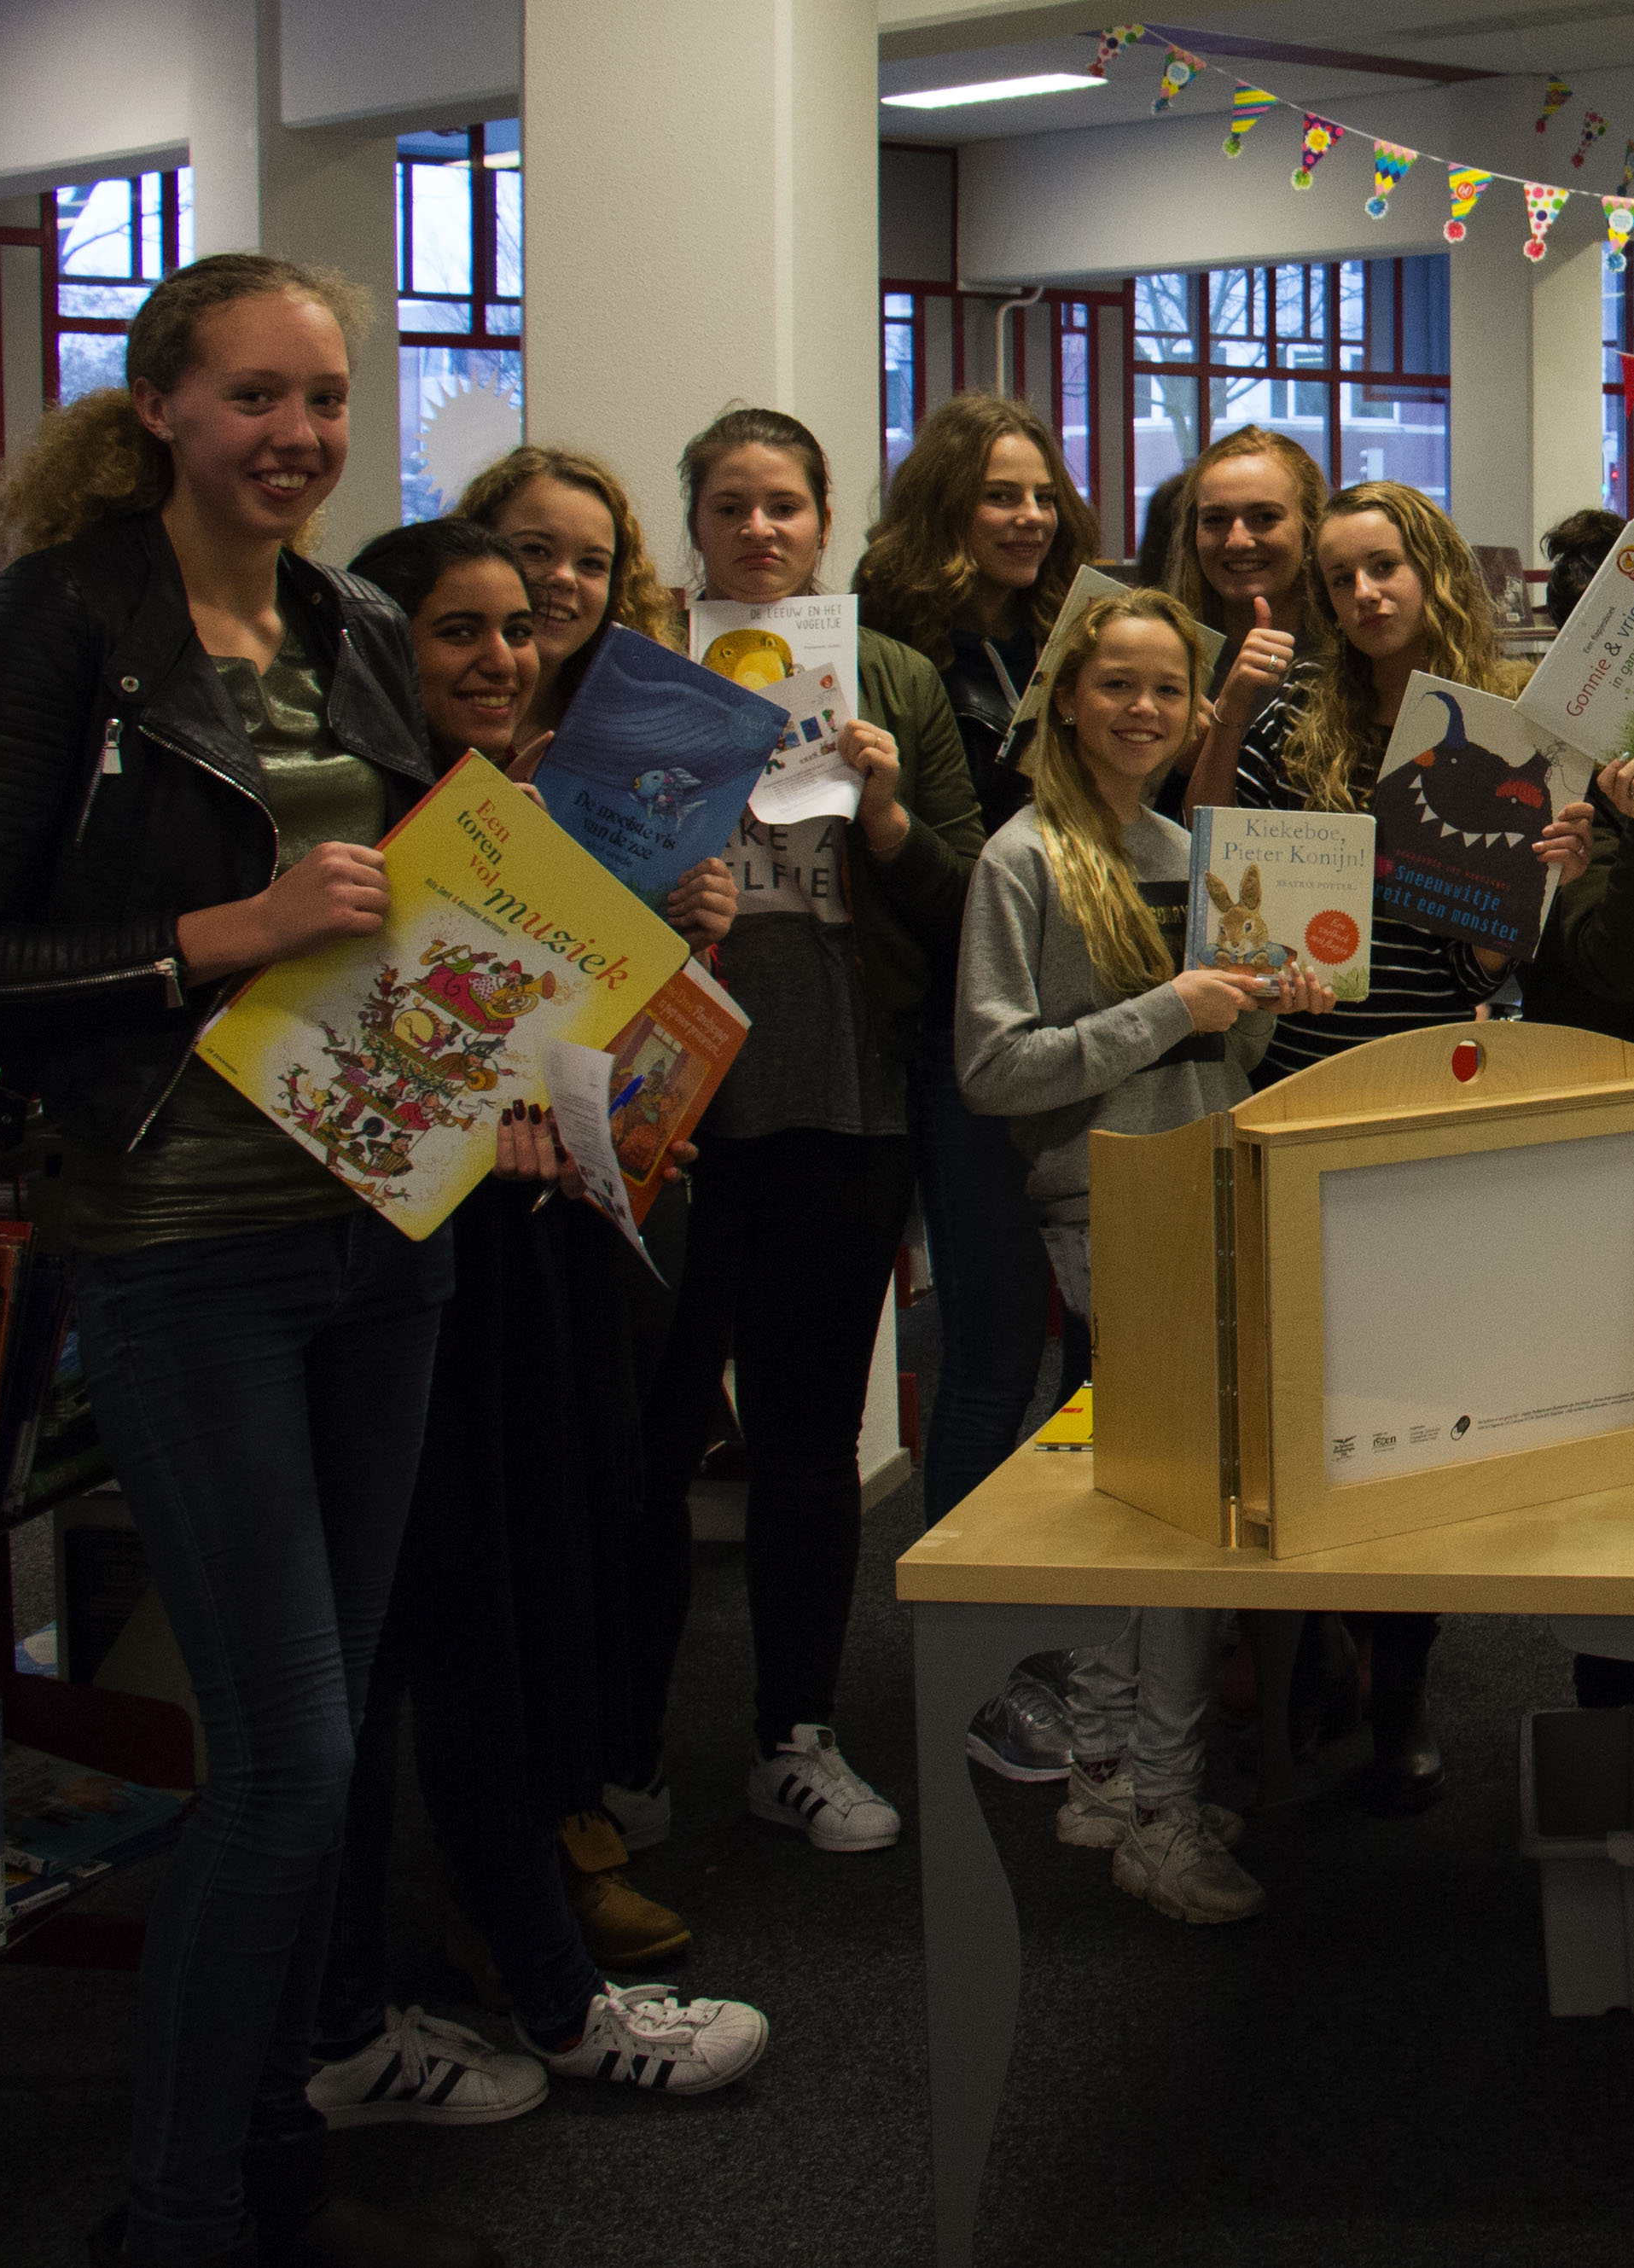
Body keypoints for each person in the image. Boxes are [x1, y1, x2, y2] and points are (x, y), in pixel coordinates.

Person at [0, 250, 484, 2268]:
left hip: (377, 1229)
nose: (299, 437)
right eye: (254, 396)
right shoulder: (65, 625)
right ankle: (169, 2212)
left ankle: (265, 2162)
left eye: (325, 399)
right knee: (286, 1755)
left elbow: (411, 908)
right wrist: (213, 937)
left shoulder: (350, 621)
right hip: (183, 1243)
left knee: (323, 1756)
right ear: (156, 403)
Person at [305, 517, 770, 2131]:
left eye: (516, 629)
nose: (500, 657)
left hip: (525, 1258)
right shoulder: (365, 828)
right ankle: (422, 2004)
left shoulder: (525, 811)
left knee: (499, 1624)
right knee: (412, 1652)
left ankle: (517, 1976)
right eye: (457, 632)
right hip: (392, 1291)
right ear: (385, 646)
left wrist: (671, 973)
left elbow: (583, 1028)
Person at [624, 407, 986, 1863]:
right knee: (647, 1437)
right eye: (729, 506)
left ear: (822, 522)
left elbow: (965, 900)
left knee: (804, 1432)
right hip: (665, 1110)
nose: (758, 530)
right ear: (692, 524)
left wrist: (887, 807)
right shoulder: (638, 662)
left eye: (783, 506)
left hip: (838, 1096)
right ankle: (621, 1744)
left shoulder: (886, 668)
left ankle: (795, 1731)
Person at [1206, 476, 1592, 1811]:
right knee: (1293, 1389)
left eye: (1385, 568)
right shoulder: (1297, 724)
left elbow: (1497, 950)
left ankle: (1403, 1686)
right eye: (1341, 578)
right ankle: (1304, 1648)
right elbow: (1226, 874)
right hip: (1306, 1070)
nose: (1365, 595)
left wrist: (1544, 879)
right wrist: (1232, 714)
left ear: (1431, 569)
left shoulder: (1505, 724)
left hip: (1435, 1074)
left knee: (1416, 1399)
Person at [956, 581, 1332, 1923]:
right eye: (1118, 683)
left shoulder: (1193, 842)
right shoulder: (1023, 859)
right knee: (1183, 1525)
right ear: (1067, 694)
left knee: (1150, 1508)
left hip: (1204, 1197)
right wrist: (1168, 1005)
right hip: (1106, 1214)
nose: (1144, 709)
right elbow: (995, 1067)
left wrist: (1256, 1006)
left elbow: (1212, 1055)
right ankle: (1161, 1808)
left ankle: (1112, 1772)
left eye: (1170, 689)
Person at [450, 441, 725, 1942]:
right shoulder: (438, 734)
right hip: (479, 1170)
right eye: (525, 553)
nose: (553, 587)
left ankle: (598, 1781)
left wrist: (696, 915)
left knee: (628, 1471)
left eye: (584, 562)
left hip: (623, 1147)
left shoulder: (645, 745)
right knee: (517, 1502)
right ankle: (532, 1834)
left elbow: (645, 972)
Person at [853, 394, 1131, 1782]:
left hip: (1099, 1034)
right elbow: (955, 878)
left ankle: (1081, 1642)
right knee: (987, 1358)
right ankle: (969, 1662)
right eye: (994, 496)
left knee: (1096, 1353)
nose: (1024, 517)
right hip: (974, 1048)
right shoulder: (894, 659)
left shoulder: (1071, 638)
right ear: (942, 509)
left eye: (1039, 494)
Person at [453, 444, 681, 744]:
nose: (564, 578)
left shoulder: (639, 730)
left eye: (591, 564)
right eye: (535, 550)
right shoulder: (416, 711)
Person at [1169, 426, 1328, 813]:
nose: (1237, 540)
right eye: (1216, 520)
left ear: (1310, 529)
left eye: (1264, 517)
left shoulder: (1353, 658)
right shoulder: (1166, 659)